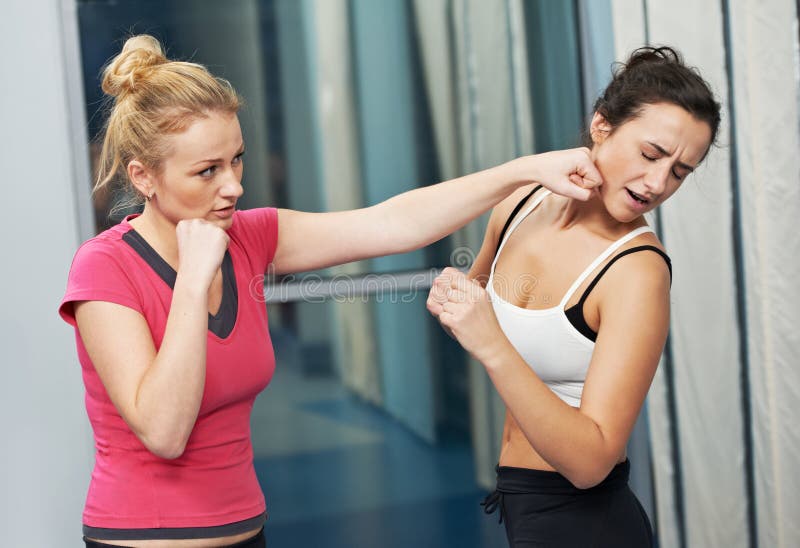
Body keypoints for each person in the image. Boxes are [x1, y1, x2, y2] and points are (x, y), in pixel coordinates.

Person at [58, 34, 606, 547]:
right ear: (143, 177)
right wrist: (194, 277)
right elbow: (164, 430)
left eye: (237, 159)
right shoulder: (105, 268)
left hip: (247, 528)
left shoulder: (248, 235)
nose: (234, 186)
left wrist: (525, 171)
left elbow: (394, 224)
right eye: (207, 171)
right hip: (141, 538)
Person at [427, 46, 721, 547]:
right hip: (521, 504)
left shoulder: (636, 270)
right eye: (651, 154)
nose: (657, 183)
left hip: (585, 521)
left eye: (679, 172)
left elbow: (590, 463)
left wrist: (491, 344)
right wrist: (454, 303)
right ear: (601, 126)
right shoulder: (522, 202)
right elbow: (475, 308)